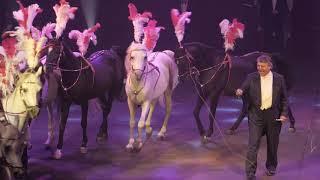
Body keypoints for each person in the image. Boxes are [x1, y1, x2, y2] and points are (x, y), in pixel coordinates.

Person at [235, 55, 288, 180]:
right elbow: (243, 88)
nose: (260, 68)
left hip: (273, 116)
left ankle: (271, 166)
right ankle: (250, 173)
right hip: (256, 115)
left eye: (263, 66)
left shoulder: (279, 79)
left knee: (272, 143)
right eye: (258, 66)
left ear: (270, 66)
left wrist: (284, 113)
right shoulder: (251, 77)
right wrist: (240, 91)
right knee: (253, 144)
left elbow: (285, 98)